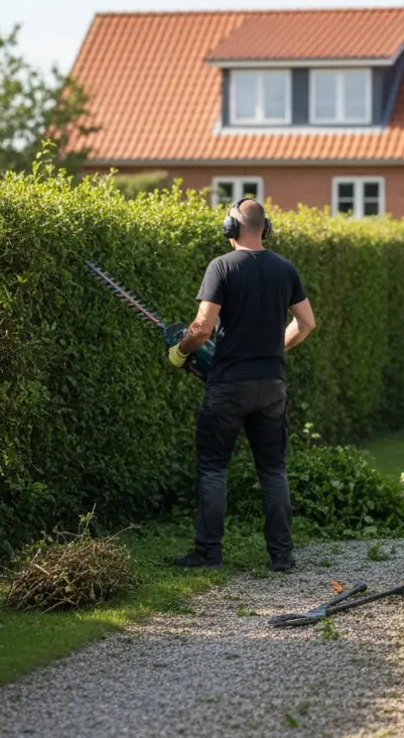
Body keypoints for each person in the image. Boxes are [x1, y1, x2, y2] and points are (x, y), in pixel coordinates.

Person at [167, 197, 317, 572]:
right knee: (272, 469)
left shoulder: (221, 267)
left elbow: (202, 328)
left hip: (229, 385)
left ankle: (208, 553)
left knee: (214, 468)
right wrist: (273, 349)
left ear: (230, 229)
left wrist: (180, 350)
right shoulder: (285, 268)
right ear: (264, 228)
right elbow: (307, 322)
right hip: (271, 384)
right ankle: (281, 556)